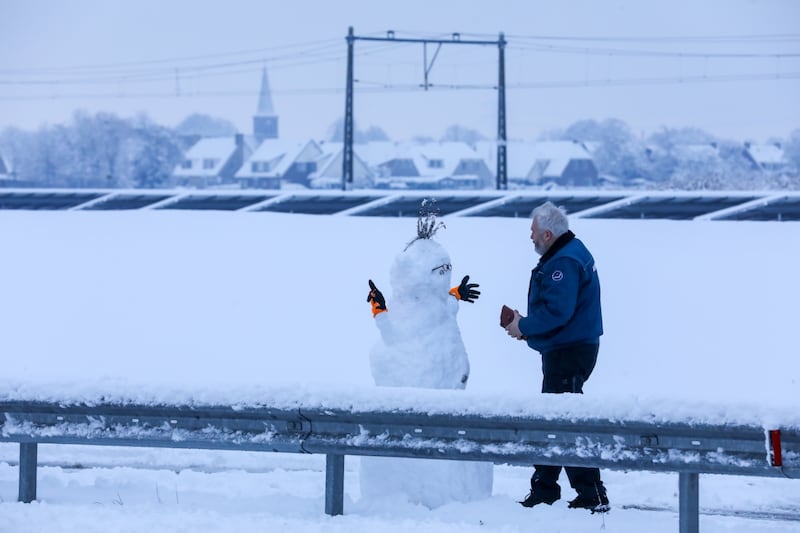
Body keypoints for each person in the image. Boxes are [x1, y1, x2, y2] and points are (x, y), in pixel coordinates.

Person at [503, 201, 610, 514]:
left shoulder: (563, 262)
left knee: (563, 423)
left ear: (548, 234)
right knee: (556, 419)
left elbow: (558, 312)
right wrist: (527, 331)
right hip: (572, 347)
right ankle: (548, 489)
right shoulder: (572, 251)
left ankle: (588, 493)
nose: (531, 238)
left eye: (534, 232)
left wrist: (522, 326)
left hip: (569, 352)